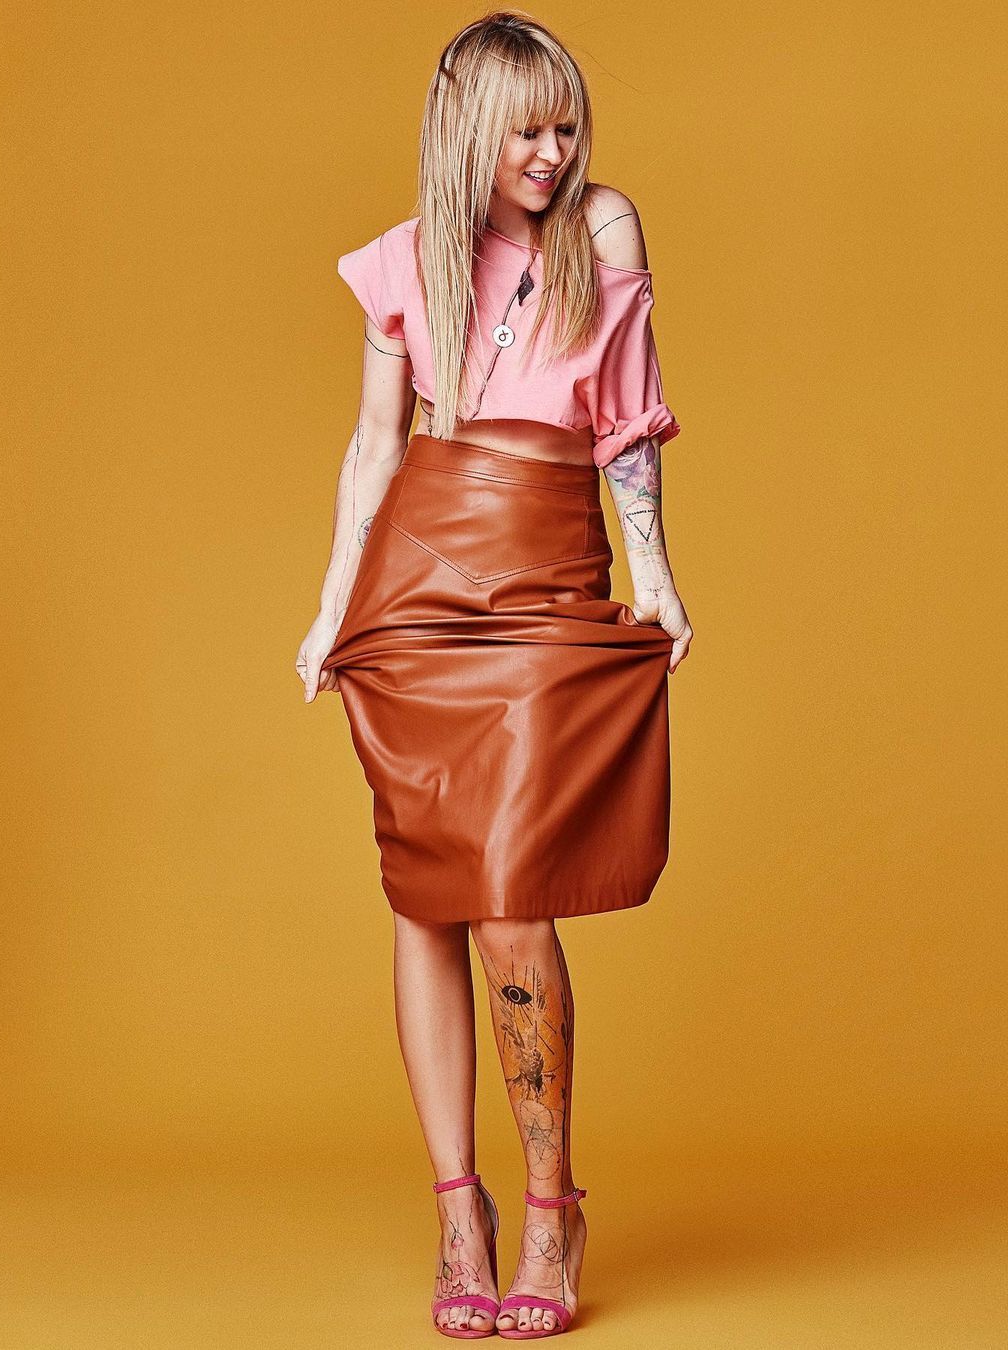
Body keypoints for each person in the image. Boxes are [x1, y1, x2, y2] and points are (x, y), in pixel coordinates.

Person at [296, 11, 693, 1339]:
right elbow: (373, 446)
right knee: (426, 893)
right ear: (468, 127)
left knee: (512, 894)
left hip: (546, 566)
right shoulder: (407, 257)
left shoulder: (603, 228)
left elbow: (626, 422)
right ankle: (458, 1210)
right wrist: (330, 609)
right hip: (417, 576)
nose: (551, 151)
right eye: (526, 127)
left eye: (566, 124)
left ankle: (550, 1208)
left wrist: (655, 573)